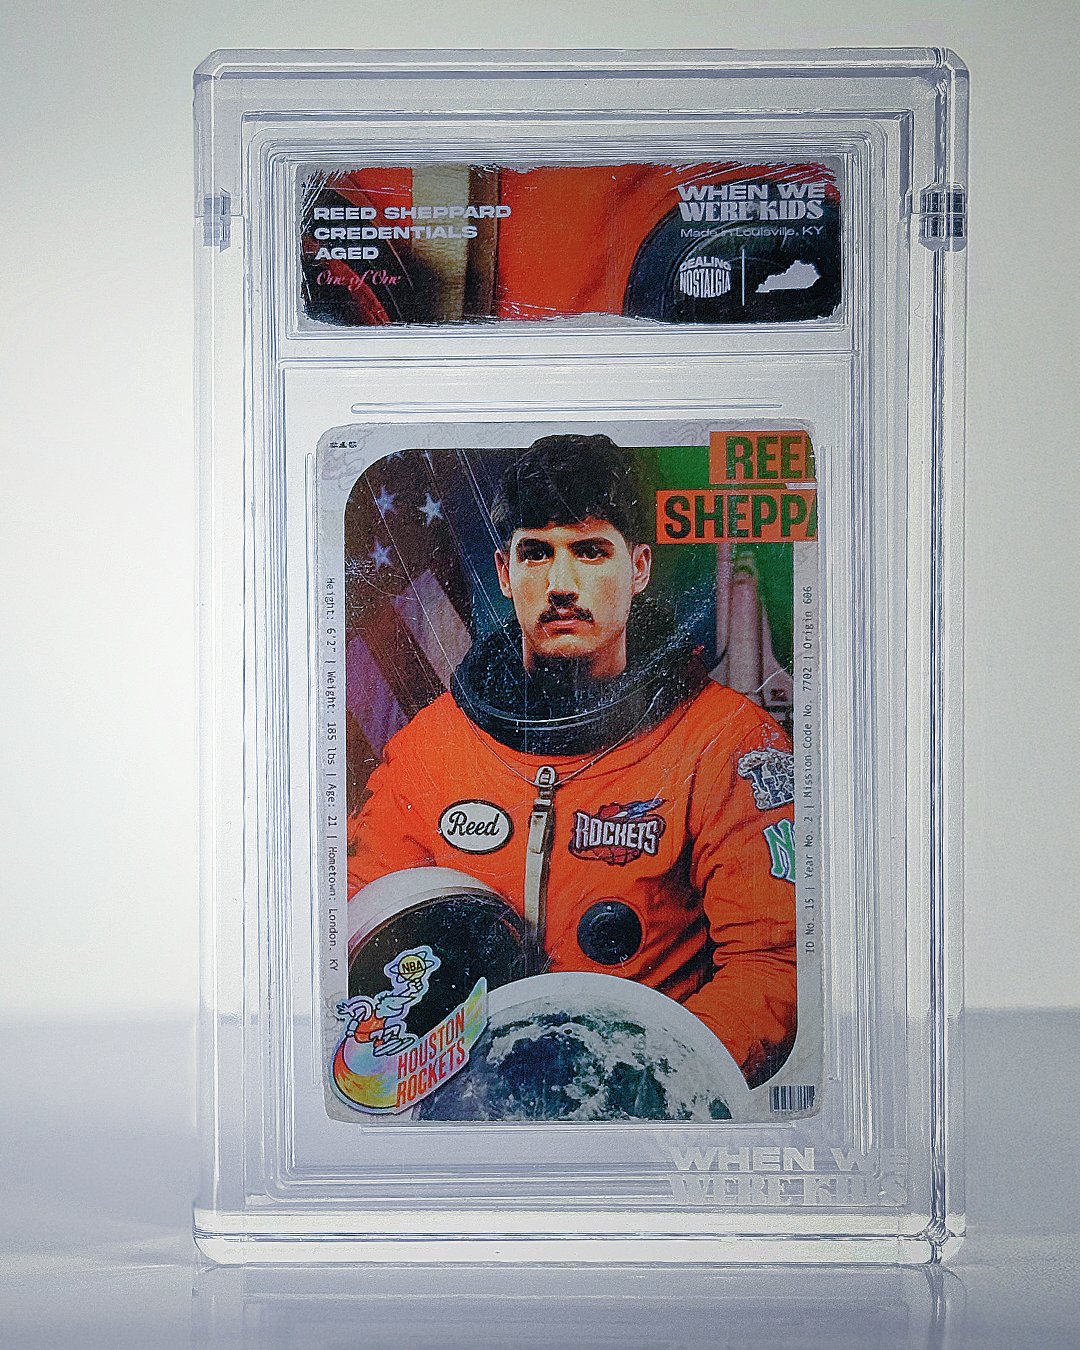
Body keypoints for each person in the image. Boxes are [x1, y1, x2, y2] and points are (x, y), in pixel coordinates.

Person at [347, 435, 797, 1086]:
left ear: (638, 567)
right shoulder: (434, 747)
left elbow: (769, 965)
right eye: (537, 553)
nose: (560, 585)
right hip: (467, 1093)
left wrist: (643, 1082)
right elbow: (362, 935)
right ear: (505, 573)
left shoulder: (725, 744)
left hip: (645, 1098)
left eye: (589, 551)